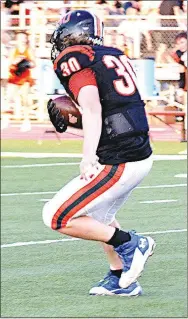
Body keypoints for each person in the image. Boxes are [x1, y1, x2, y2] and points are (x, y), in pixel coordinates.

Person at [43, 10, 156, 296]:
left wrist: (88, 155)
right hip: (137, 152)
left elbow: (93, 106)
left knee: (56, 217)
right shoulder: (111, 53)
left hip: (119, 160)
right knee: (100, 217)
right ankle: (120, 277)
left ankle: (132, 243)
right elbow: (116, 110)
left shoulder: (74, 58)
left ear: (72, 33)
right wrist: (78, 128)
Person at [6, 31, 35, 131]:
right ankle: (6, 119)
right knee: (8, 99)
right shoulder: (13, 50)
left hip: (24, 78)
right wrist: (16, 61)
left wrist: (26, 62)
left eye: (24, 38)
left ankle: (26, 121)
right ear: (17, 40)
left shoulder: (29, 50)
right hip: (14, 77)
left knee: (25, 99)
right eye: (21, 38)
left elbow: (33, 63)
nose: (23, 40)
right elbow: (9, 64)